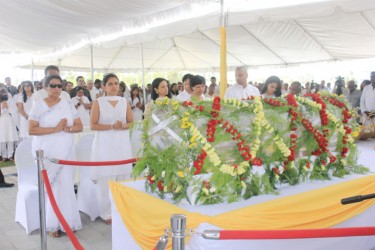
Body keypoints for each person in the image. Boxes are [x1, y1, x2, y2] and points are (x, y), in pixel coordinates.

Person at [29, 75, 83, 237]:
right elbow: (31, 130)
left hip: (66, 151)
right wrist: (55, 129)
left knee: (66, 185)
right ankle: (53, 224)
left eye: (60, 86)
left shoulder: (68, 104)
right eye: (53, 86)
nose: (57, 89)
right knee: (51, 187)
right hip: (47, 153)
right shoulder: (38, 105)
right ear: (45, 87)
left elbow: (79, 126)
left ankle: (68, 222)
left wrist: (68, 129)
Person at [90, 73, 133, 225]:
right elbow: (93, 125)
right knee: (105, 180)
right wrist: (111, 126)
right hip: (104, 144)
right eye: (110, 84)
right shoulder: (99, 102)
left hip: (122, 144)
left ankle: (121, 209)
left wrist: (123, 126)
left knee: (123, 178)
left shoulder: (124, 101)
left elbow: (131, 122)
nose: (114, 86)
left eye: (116, 83)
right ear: (104, 86)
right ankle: (107, 213)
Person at [0, 88, 18, 161]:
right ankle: (4, 155)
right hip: (2, 121)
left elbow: (14, 111)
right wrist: (2, 107)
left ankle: (10, 155)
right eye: (2, 94)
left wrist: (7, 107)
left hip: (9, 120)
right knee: (2, 138)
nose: (4, 95)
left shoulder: (10, 101)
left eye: (5, 94)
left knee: (10, 138)